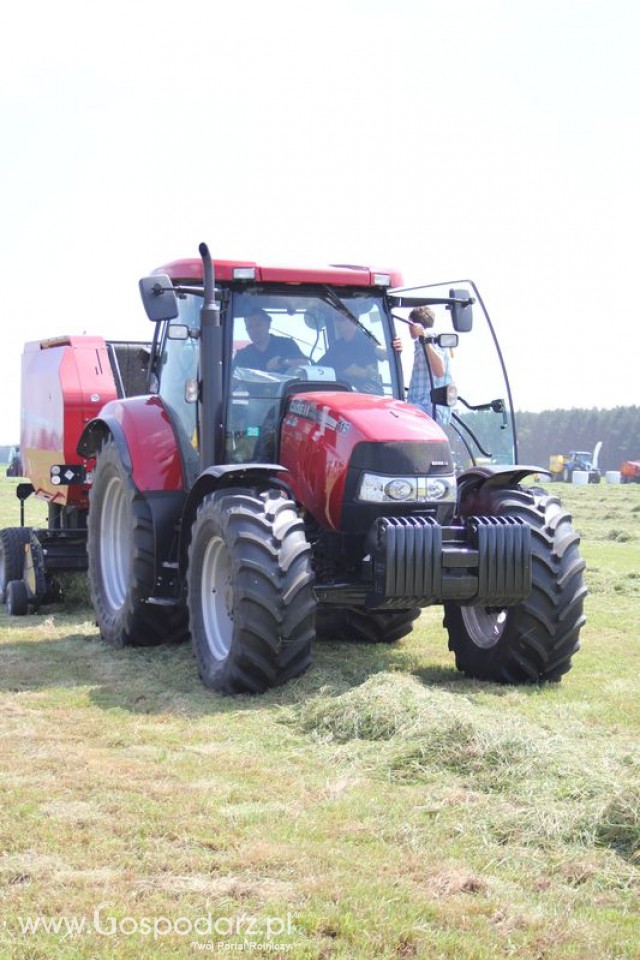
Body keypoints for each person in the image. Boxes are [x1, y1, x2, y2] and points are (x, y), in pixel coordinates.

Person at [319, 315, 402, 393]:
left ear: (352, 321)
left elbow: (383, 352)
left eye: (341, 319)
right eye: (335, 319)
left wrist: (394, 348)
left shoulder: (365, 340)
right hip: (345, 394)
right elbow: (320, 366)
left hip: (369, 395)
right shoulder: (336, 347)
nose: (337, 323)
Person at [406, 305, 453, 425]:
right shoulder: (420, 342)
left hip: (429, 408)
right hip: (419, 407)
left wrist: (425, 340)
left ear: (413, 323)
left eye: (409, 323)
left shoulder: (431, 339)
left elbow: (439, 370)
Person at [233, 308, 305, 373]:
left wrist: (283, 362)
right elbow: (231, 379)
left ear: (268, 325)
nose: (254, 330)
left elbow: (306, 364)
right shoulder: (242, 355)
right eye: (249, 327)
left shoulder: (287, 344)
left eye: (258, 325)